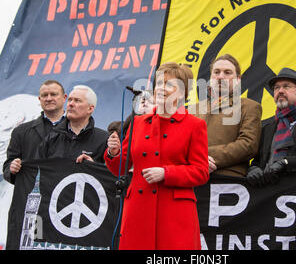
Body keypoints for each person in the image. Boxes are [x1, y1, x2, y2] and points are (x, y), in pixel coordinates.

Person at [105, 62, 209, 250]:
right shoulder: (138, 122)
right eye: (159, 83)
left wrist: (166, 173)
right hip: (138, 209)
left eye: (169, 84)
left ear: (182, 92)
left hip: (174, 213)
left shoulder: (195, 125)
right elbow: (120, 168)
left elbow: (201, 171)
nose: (161, 88)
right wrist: (114, 152)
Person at [189, 54, 262, 177]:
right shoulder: (192, 109)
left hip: (228, 178)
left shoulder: (250, 107)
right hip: (192, 178)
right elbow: (180, 144)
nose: (221, 77)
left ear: (238, 79)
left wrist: (202, 157)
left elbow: (248, 145)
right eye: (216, 72)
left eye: (227, 72)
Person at [3, 80, 67, 184]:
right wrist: (12, 168)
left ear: (64, 98)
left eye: (54, 94)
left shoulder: (79, 130)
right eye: (45, 95)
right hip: (32, 193)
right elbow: (8, 166)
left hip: (66, 194)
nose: (49, 98)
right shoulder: (21, 131)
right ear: (39, 99)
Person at [36, 85, 108, 163]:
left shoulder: (104, 139)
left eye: (77, 100)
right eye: (69, 100)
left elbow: (111, 173)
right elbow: (37, 169)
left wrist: (93, 167)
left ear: (90, 109)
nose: (71, 104)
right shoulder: (52, 137)